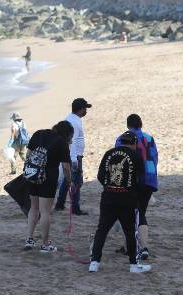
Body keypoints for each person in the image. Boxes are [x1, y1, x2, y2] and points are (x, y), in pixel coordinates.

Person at [89, 131, 152, 273]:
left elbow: (100, 175)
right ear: (134, 143)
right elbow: (142, 180)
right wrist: (133, 191)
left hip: (108, 197)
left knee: (102, 230)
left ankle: (94, 262)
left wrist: (110, 186)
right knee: (130, 232)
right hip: (127, 199)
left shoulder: (109, 153)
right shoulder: (136, 156)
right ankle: (133, 265)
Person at [24, 121, 73, 252]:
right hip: (48, 178)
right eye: (71, 138)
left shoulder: (38, 134)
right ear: (67, 135)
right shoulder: (61, 142)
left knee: (33, 208)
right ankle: (45, 244)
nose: (71, 141)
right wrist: (68, 181)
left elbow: (27, 155)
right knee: (45, 211)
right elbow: (66, 167)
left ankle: (29, 239)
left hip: (32, 175)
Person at [116, 114, 158, 260]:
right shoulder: (149, 138)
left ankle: (136, 247)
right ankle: (139, 246)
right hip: (150, 179)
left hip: (132, 180)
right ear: (141, 124)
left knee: (128, 213)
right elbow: (154, 158)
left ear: (128, 125)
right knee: (141, 212)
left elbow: (118, 158)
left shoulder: (123, 138)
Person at [55, 98, 91, 215]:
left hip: (71, 155)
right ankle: (75, 208)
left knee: (67, 180)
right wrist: (74, 159)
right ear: (80, 109)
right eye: (85, 108)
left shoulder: (72, 119)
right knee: (76, 181)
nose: (86, 111)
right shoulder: (74, 122)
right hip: (74, 156)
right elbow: (72, 141)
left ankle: (60, 204)